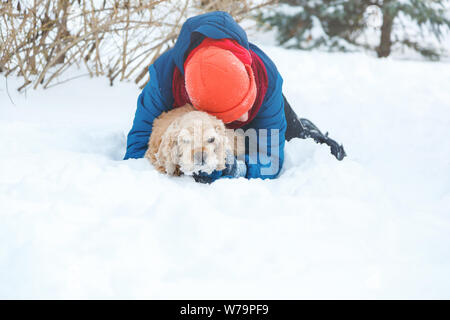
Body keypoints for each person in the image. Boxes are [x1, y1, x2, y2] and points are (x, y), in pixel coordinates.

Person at [124, 11, 345, 183]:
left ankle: (305, 130)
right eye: (235, 112)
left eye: (244, 104)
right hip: (204, 126)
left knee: (293, 137)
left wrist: (238, 169)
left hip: (266, 102)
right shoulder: (164, 78)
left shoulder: (266, 79)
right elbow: (136, 151)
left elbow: (272, 161)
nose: (245, 114)